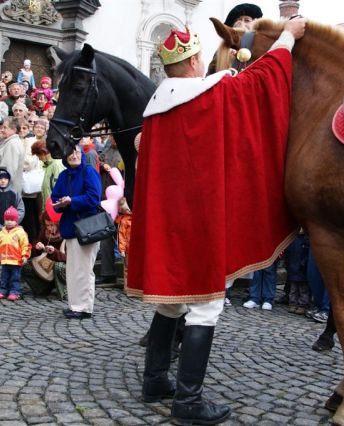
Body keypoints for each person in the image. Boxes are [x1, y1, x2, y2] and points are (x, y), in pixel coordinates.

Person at [127, 19, 306, 425]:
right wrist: (288, 38)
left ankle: (155, 379)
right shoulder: (216, 93)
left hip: (168, 222)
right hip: (201, 222)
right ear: (192, 63)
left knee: (173, 303)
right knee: (205, 307)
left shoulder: (154, 111)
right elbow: (263, 79)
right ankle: (188, 402)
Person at [50, 145, 102, 319]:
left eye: (77, 152)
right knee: (73, 270)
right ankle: (75, 305)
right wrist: (60, 204)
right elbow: (54, 197)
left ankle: (84, 307)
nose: (74, 156)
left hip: (87, 227)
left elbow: (94, 197)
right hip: (70, 227)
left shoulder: (88, 171)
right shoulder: (64, 175)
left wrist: (72, 201)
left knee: (84, 269)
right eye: (70, 153)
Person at [96, 134, 123, 285]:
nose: (113, 139)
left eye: (115, 137)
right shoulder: (107, 146)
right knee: (105, 236)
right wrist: (103, 164)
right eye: (112, 137)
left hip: (121, 202)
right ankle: (107, 272)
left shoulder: (125, 152)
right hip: (106, 199)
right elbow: (100, 158)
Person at [22, 211, 67, 300]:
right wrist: (37, 247)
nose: (49, 228)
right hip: (46, 266)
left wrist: (54, 252)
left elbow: (69, 259)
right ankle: (42, 288)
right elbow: (34, 249)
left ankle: (63, 291)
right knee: (23, 266)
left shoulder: (66, 234)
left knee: (58, 267)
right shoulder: (44, 232)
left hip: (62, 266)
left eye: (52, 225)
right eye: (47, 225)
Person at [0, 206, 31, 301]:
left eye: (11, 219)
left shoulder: (21, 233)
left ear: (16, 221)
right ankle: (3, 291)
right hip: (5, 260)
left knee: (15, 278)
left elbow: (26, 245)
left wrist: (25, 256)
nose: (9, 222)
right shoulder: (0, 234)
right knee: (4, 277)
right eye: (7, 219)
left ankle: (15, 292)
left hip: (16, 261)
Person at [31, 137, 65, 210]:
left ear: (43, 153)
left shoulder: (56, 164)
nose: (39, 158)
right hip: (49, 207)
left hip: (54, 208)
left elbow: (59, 189)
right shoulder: (47, 165)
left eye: (38, 156)